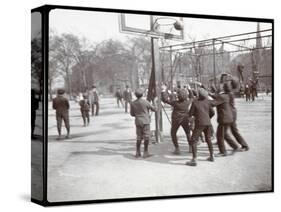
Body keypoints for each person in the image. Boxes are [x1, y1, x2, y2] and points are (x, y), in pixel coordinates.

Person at [186, 88, 215, 166]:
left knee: (193, 140)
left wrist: (193, 117)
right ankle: (212, 155)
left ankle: (194, 159)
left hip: (199, 123)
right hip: (208, 123)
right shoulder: (208, 102)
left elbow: (190, 114)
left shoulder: (195, 103)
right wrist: (208, 118)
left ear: (198, 95)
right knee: (208, 139)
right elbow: (213, 112)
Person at [161, 85, 193, 154]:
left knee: (173, 133)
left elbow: (165, 100)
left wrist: (163, 91)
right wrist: (190, 90)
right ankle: (190, 147)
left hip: (176, 120)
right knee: (187, 133)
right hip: (185, 119)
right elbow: (192, 97)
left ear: (178, 96)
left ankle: (177, 148)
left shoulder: (175, 103)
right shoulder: (187, 102)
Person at [212, 83, 239, 156]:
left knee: (219, 135)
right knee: (225, 134)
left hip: (224, 119)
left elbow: (213, 103)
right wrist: (208, 94)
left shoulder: (222, 96)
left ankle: (223, 152)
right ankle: (235, 146)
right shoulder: (227, 95)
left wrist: (203, 102)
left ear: (224, 88)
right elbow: (217, 97)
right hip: (229, 118)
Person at [130, 88, 156, 158]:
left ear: (135, 95)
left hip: (138, 121)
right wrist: (154, 102)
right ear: (142, 94)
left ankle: (138, 152)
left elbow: (132, 114)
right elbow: (154, 109)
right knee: (146, 136)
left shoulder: (133, 103)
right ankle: (145, 152)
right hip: (146, 121)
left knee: (139, 137)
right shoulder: (146, 102)